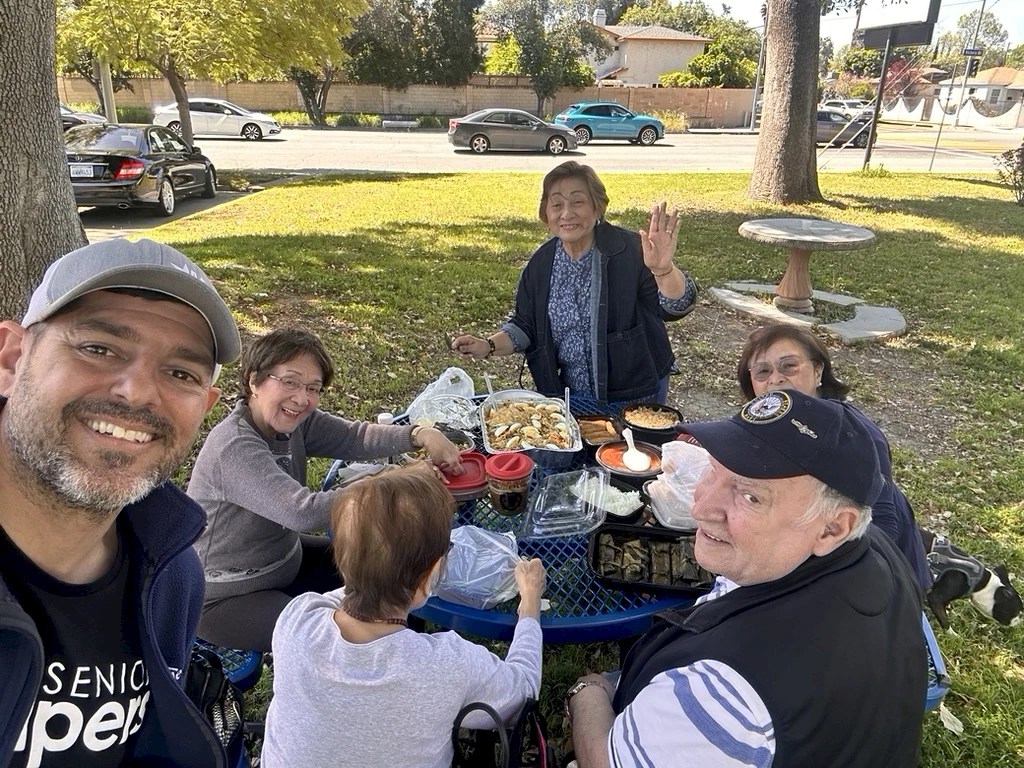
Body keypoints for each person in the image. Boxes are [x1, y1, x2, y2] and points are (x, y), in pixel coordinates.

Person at [567, 390, 928, 768]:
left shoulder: (727, 694)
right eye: (714, 470)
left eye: (751, 497)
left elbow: (605, 761)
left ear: (832, 527)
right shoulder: (877, 549)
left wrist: (586, 690)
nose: (700, 507)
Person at [0, 238, 242, 768]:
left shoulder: (173, 574)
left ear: (203, 406)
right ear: (12, 359)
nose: (136, 393)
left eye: (180, 373)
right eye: (99, 348)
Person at [188, 327, 464, 652]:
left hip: (284, 558)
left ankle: (413, 658)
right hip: (226, 596)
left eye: (313, 387)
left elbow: (354, 437)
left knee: (391, 576)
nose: (302, 398)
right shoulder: (234, 446)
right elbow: (302, 512)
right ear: (253, 380)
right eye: (289, 382)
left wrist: (419, 434)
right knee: (347, 639)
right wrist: (395, 480)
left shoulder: (296, 421)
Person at [261, 462, 546, 768]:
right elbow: (523, 690)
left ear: (341, 564)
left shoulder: (297, 619)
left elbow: (352, 590)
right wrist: (529, 601)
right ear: (432, 573)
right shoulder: (448, 665)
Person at [452, 161, 697, 404]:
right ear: (545, 213)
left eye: (578, 201)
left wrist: (663, 270)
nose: (567, 213)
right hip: (570, 396)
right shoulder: (540, 265)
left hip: (635, 394)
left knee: (632, 446)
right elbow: (525, 326)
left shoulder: (630, 250)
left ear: (597, 207)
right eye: (556, 204)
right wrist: (487, 346)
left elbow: (674, 307)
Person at [736, 324, 931, 592]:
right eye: (762, 371)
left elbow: (880, 522)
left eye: (789, 365)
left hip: (878, 577)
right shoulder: (773, 423)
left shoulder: (851, 434)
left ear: (818, 371)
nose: (776, 378)